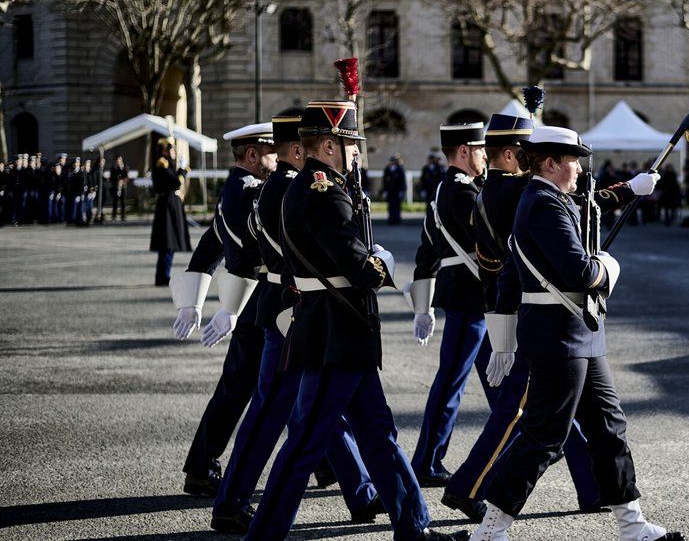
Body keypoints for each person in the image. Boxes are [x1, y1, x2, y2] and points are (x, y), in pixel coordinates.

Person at [246, 99, 467, 541]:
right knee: (306, 442)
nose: (357, 155)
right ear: (329, 146)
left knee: (378, 433)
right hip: (336, 333)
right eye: (351, 146)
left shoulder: (310, 187)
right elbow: (363, 271)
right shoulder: (324, 193)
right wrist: (383, 259)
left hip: (338, 331)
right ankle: (264, 535)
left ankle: (414, 528)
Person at [441, 111, 659, 523]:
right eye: (524, 152)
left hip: (541, 317)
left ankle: (601, 495)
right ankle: (470, 490)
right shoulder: (515, 192)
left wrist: (628, 190)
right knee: (528, 422)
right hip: (545, 318)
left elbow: (574, 208)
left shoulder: (499, 191)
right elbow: (560, 224)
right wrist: (626, 195)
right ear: (514, 155)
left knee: (578, 420)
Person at [207, 109, 382, 533]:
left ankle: (360, 490)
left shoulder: (280, 186)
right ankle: (231, 502)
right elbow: (301, 255)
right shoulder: (290, 188)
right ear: (299, 150)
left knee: (326, 407)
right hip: (292, 305)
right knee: (276, 411)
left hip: (291, 303)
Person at [168, 123, 275, 497]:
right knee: (260, 389)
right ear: (253, 155)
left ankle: (201, 466)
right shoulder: (249, 193)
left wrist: (193, 301)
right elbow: (247, 257)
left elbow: (210, 244)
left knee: (246, 388)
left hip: (251, 303)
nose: (278, 158)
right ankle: (203, 468)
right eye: (272, 152)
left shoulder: (237, 189)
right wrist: (226, 308)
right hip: (259, 303)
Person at [410, 122, 501, 487]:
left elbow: (426, 251)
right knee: (451, 382)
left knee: (501, 382)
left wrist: (423, 307)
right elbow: (489, 241)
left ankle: (517, 442)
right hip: (470, 298)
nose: (486, 157)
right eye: (481, 151)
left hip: (474, 299)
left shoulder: (445, 190)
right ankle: (427, 462)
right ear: (464, 151)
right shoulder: (462, 193)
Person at [150, 137, 191, 285]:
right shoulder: (162, 164)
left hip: (171, 205)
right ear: (164, 151)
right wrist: (182, 170)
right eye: (171, 149)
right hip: (167, 207)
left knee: (170, 243)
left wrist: (179, 170)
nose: (174, 151)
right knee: (167, 242)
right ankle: (163, 275)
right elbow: (176, 182)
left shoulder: (168, 164)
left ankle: (163, 274)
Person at [384, 155, 408, 225]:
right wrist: (385, 190)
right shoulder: (387, 169)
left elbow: (402, 181)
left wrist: (402, 190)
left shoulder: (400, 169)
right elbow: (384, 181)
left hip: (397, 191)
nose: (392, 162)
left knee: (397, 206)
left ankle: (397, 219)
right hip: (390, 191)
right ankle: (391, 219)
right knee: (390, 205)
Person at [110, 155, 128, 221]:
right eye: (117, 160)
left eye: (119, 160)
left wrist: (122, 181)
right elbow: (111, 177)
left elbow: (126, 177)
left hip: (123, 187)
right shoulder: (113, 168)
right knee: (115, 201)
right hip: (115, 187)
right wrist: (116, 181)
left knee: (123, 202)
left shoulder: (125, 167)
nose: (118, 161)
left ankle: (123, 216)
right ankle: (114, 216)